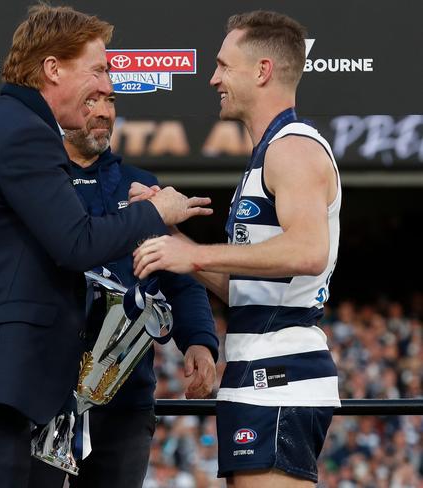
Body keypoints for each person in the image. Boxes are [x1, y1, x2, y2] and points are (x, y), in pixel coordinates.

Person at [0, 5, 211, 488]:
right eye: (99, 68)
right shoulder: (27, 136)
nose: (109, 85)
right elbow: (76, 242)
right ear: (53, 68)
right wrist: (157, 214)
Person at [133, 10, 341, 488]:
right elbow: (253, 286)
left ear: (262, 71)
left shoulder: (292, 148)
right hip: (258, 371)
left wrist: (197, 256)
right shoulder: (269, 152)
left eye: (224, 65)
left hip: (281, 375)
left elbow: (309, 251)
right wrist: (170, 238)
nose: (213, 78)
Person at [30, 91, 220, 488]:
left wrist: (199, 342)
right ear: (59, 107)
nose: (104, 113)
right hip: (38, 396)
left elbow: (180, 275)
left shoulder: (143, 187)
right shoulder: (36, 184)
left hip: (124, 401)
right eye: (90, 103)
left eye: (110, 102)